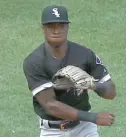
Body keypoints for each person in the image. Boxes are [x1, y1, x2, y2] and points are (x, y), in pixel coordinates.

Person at [23, 5, 116, 137]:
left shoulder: (85, 54)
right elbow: (51, 105)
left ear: (67, 27)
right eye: (51, 26)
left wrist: (91, 84)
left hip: (84, 128)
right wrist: (93, 117)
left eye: (61, 25)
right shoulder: (34, 62)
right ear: (43, 29)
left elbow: (111, 92)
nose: (56, 30)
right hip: (53, 131)